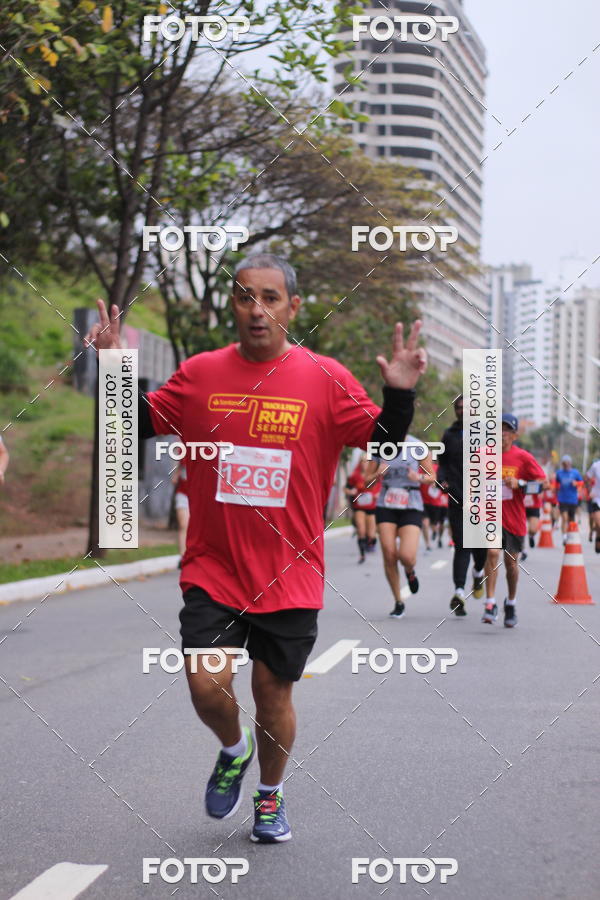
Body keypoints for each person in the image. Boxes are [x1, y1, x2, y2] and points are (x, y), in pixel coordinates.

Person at [85, 253, 426, 843]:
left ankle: (270, 796)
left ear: (293, 307)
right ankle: (232, 749)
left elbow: (385, 441)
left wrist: (398, 395)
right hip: (214, 567)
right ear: (233, 307)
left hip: (290, 572)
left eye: (270, 297)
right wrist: (116, 370)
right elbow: (132, 425)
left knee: (272, 696)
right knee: (205, 684)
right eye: (245, 296)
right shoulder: (200, 373)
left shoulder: (325, 378)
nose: (257, 309)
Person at [482, 414, 546, 628]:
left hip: (514, 519)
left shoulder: (523, 457)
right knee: (491, 554)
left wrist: (520, 483)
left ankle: (510, 602)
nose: (501, 433)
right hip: (490, 516)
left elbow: (544, 484)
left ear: (514, 435)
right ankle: (490, 604)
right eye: (498, 429)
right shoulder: (484, 455)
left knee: (511, 564)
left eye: (506, 430)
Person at [366, 436, 435, 618]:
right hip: (386, 504)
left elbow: (432, 478)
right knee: (389, 553)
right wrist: (377, 474)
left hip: (410, 504)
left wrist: (417, 477)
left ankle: (410, 571)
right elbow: (367, 481)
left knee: (406, 556)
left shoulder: (418, 446)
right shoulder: (379, 446)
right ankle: (398, 601)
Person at [437, 395, 487, 617]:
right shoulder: (449, 435)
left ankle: (478, 573)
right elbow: (442, 464)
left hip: (481, 500)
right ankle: (458, 592)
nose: (461, 411)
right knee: (462, 545)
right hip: (457, 498)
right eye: (458, 408)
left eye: (465, 408)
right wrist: (442, 480)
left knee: (481, 548)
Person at [345, 455, 380, 563]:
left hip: (372, 507)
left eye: (368, 462)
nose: (365, 464)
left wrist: (378, 495)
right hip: (359, 507)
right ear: (360, 463)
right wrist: (350, 492)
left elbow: (382, 488)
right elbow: (347, 488)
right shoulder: (355, 476)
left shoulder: (375, 476)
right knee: (361, 529)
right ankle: (362, 555)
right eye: (363, 462)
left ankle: (371, 542)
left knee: (371, 535)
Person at [555, 455, 583, 544]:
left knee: (571, 520)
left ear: (570, 463)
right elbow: (556, 484)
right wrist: (556, 493)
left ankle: (570, 535)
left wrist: (577, 483)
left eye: (568, 463)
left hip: (573, 500)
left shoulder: (575, 472)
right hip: (562, 499)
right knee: (564, 518)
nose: (566, 464)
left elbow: (582, 482)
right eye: (564, 463)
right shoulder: (559, 473)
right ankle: (564, 537)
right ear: (562, 464)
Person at [420, 462, 445, 550]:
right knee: (425, 523)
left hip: (436, 502)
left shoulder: (438, 468)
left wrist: (437, 483)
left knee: (434, 524)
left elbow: (443, 481)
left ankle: (435, 531)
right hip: (423, 501)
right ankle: (428, 544)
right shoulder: (420, 468)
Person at [172, 462, 190, 563]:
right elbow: (179, 465)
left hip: (199, 495)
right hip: (183, 493)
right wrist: (176, 474)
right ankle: (183, 556)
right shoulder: (184, 449)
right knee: (183, 524)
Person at [585, 457, 600, 553]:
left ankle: (598, 537)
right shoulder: (596, 465)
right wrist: (590, 490)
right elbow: (586, 478)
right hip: (597, 498)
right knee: (599, 523)